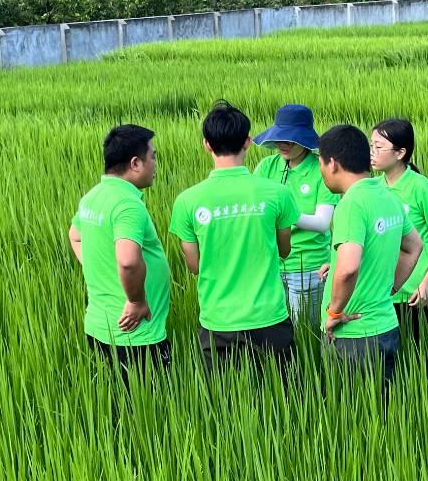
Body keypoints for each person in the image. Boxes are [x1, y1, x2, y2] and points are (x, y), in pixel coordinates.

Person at [169, 101, 300, 372]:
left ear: (206, 144)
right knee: (283, 402)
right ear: (248, 142)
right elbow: (284, 250)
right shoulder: (277, 194)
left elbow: (194, 265)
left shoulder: (187, 201)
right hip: (269, 317)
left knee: (224, 404)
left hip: (218, 321)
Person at [317, 124, 423, 385]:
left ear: (332, 164)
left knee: (351, 418)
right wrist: (390, 287)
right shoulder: (387, 197)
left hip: (353, 337)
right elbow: (414, 246)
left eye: (320, 164)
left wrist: (333, 314)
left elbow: (349, 267)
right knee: (382, 413)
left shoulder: (351, 203)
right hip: (386, 327)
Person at [68, 124, 172, 374]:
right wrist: (136, 301)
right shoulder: (127, 205)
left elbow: (75, 237)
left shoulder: (92, 197)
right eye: (153, 156)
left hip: (99, 328)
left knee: (115, 405)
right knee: (149, 409)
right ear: (135, 163)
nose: (155, 164)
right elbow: (128, 261)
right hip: (136, 336)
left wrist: (95, 264)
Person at [253, 104, 338, 327]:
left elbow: (322, 222)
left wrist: (284, 215)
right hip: (270, 264)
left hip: (308, 266)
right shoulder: (266, 167)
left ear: (305, 140)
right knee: (275, 330)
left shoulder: (320, 170)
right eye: (281, 137)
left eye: (291, 139)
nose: (284, 144)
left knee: (304, 333)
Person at [370, 118, 428, 345]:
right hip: (382, 291)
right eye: (371, 146)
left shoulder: (420, 187)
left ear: (400, 153)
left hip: (415, 293)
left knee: (418, 361)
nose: (372, 153)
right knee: (386, 361)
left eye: (378, 147)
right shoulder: (373, 188)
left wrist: (427, 282)